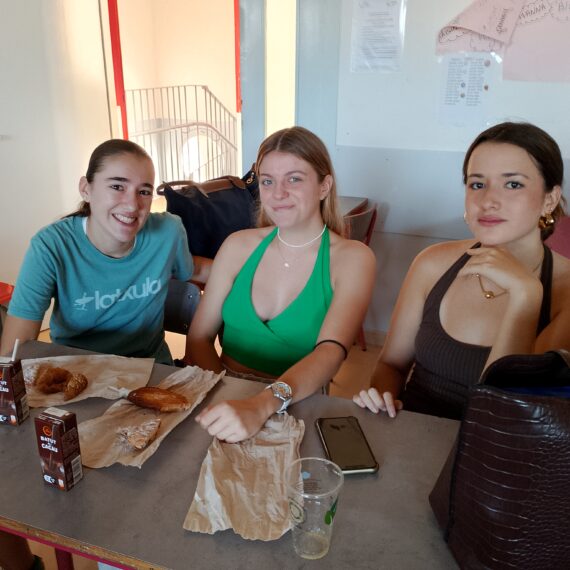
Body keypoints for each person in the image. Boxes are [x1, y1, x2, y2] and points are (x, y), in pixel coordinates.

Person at [354, 122, 570, 420]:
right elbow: (391, 364)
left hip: (496, 446)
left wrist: (526, 295)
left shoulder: (565, 290)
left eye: (513, 184)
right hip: (411, 440)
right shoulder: (432, 263)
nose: (488, 201)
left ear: (550, 199)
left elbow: (503, 413)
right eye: (477, 184)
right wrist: (383, 402)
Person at [186, 126, 376, 442]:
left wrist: (261, 405)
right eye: (267, 181)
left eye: (294, 179)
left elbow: (331, 352)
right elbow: (199, 337)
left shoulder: (353, 258)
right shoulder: (237, 245)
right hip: (226, 395)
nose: (278, 193)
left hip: (301, 402)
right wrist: (229, 398)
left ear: (324, 186)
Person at [0, 139, 208, 364]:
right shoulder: (51, 246)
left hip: (153, 370)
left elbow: (194, 269)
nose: (132, 205)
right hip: (76, 373)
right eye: (117, 187)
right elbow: (13, 352)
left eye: (144, 191)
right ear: (86, 189)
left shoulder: (168, 231)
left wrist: (236, 266)